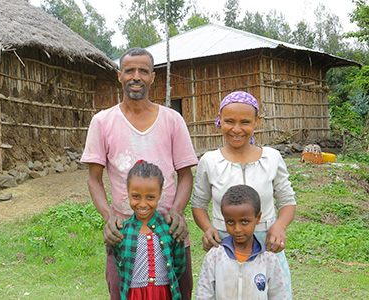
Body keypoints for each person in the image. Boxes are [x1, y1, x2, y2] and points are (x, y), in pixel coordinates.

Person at [80, 47, 198, 300]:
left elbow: (186, 175)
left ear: (152, 77)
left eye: (143, 71)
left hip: (170, 232)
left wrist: (176, 211)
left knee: (179, 293)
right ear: (119, 76)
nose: (136, 77)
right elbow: (94, 178)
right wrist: (109, 217)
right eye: (129, 70)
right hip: (125, 235)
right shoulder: (102, 121)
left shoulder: (172, 120)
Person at [191, 91, 296, 299]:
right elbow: (198, 204)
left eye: (245, 122)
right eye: (229, 121)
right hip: (226, 247)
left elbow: (287, 201)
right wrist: (208, 228)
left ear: (257, 121)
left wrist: (279, 226)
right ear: (220, 120)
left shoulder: (272, 158)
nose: (236, 129)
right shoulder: (210, 161)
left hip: (267, 246)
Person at [195, 185, 287, 299]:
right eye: (230, 222)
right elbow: (204, 294)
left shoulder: (268, 259)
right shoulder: (215, 256)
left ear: (257, 218)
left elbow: (278, 296)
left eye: (244, 221)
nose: (237, 229)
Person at [112, 160, 185, 300]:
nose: (143, 204)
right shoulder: (122, 232)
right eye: (136, 196)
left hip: (163, 295)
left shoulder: (170, 230)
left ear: (160, 193)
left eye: (150, 197)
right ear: (127, 192)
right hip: (134, 296)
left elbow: (179, 265)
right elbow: (120, 264)